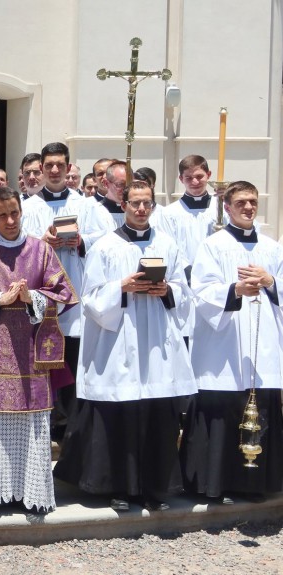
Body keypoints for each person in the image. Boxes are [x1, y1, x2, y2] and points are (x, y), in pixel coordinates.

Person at [54, 180, 197, 511]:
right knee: (122, 416)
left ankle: (156, 488)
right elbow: (90, 298)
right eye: (135, 203)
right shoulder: (106, 246)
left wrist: (169, 291)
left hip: (157, 346)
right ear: (124, 205)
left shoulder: (168, 244)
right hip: (119, 343)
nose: (142, 209)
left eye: (147, 203)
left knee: (157, 416)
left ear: (154, 207)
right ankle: (120, 487)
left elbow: (185, 291)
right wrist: (122, 286)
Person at [0, 186, 78, 516]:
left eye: (15, 213)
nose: (10, 220)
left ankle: (27, 491)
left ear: (21, 211)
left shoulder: (40, 250)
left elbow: (62, 294)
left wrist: (31, 298)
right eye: (2, 215)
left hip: (28, 352)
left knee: (28, 422)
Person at [181, 181, 283, 504]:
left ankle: (253, 485)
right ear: (227, 207)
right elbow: (200, 291)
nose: (249, 207)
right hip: (222, 348)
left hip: (262, 345)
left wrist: (271, 283)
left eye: (253, 201)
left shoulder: (272, 248)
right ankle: (217, 484)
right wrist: (235, 291)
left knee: (261, 408)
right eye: (241, 202)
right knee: (223, 413)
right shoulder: (212, 246)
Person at [21, 142, 115, 430]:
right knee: (41, 365)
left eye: (59, 165)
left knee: (74, 364)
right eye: (47, 165)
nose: (53, 170)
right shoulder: (28, 207)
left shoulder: (87, 205)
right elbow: (16, 244)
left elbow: (111, 240)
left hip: (77, 299)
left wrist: (82, 241)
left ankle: (73, 429)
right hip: (41, 298)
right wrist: (41, 242)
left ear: (68, 167)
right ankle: (43, 422)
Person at [97, 160, 129, 226]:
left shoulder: (139, 212)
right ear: (106, 184)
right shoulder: (95, 212)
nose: (127, 189)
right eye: (121, 184)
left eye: (130, 184)